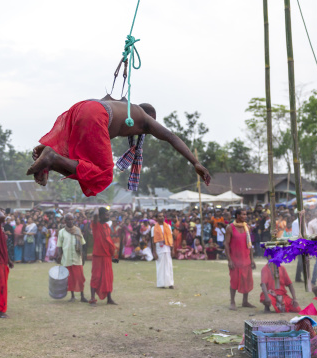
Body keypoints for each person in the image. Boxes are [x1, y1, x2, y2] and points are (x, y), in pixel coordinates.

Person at [27, 98, 211, 196]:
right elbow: (170, 136)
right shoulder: (145, 118)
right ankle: (52, 158)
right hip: (96, 114)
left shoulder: (121, 103)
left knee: (81, 161)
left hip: (81, 107)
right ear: (151, 117)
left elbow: (87, 114)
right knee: (104, 174)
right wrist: (195, 162)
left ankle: (49, 161)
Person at [225, 209, 256, 310]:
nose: (245, 216)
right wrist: (229, 260)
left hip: (246, 259)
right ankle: (232, 302)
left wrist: (252, 259)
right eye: (243, 214)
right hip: (235, 260)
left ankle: (245, 301)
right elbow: (226, 244)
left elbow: (250, 244)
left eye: (246, 214)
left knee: (246, 280)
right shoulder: (230, 228)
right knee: (234, 281)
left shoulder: (247, 227)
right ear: (237, 215)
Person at [89, 207, 117, 306]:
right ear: (100, 216)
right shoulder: (95, 225)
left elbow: (109, 241)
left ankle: (109, 298)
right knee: (96, 277)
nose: (108, 216)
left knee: (108, 277)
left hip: (107, 256)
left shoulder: (106, 226)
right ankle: (92, 299)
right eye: (106, 214)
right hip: (98, 255)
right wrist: (97, 208)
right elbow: (95, 215)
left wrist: (113, 254)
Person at [57, 213, 87, 303]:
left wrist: (83, 255)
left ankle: (82, 296)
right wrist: (59, 255)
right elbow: (60, 246)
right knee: (70, 279)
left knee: (80, 278)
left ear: (73, 220)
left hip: (77, 258)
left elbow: (82, 243)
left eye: (71, 219)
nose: (70, 221)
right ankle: (72, 296)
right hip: (67, 258)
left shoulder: (78, 230)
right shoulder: (61, 232)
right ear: (65, 221)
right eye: (68, 220)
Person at [151, 212, 174, 289]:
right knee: (160, 267)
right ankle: (161, 284)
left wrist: (172, 249)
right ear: (156, 218)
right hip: (159, 249)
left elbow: (171, 238)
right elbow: (152, 241)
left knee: (169, 266)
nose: (161, 217)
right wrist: (154, 252)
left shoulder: (168, 227)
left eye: (162, 216)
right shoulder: (153, 228)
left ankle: (170, 283)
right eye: (160, 216)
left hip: (167, 248)